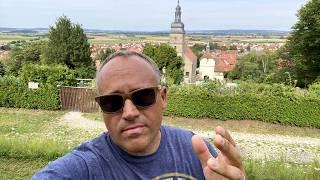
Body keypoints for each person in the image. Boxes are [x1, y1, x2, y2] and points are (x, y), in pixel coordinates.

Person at [32, 51, 245, 180]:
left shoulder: (196, 150)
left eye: (142, 96)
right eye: (112, 102)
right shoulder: (86, 166)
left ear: (163, 97)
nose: (130, 112)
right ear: (101, 107)